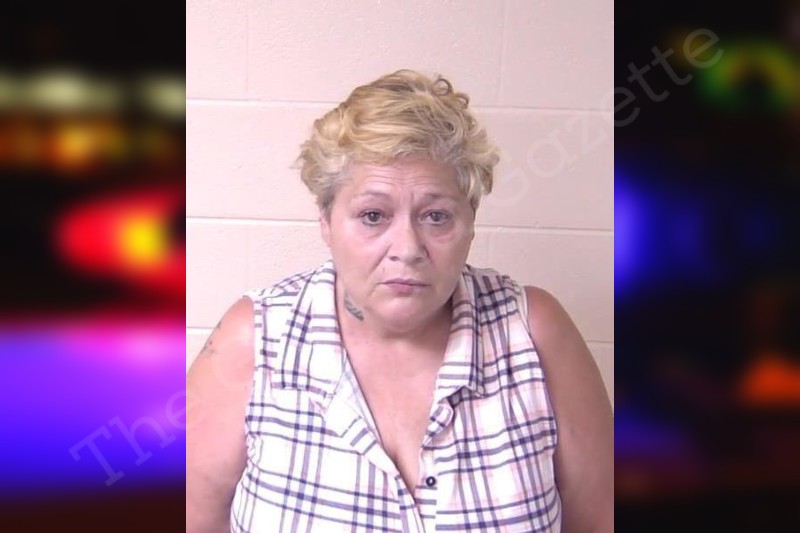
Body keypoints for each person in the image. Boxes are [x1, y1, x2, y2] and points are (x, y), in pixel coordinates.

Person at [186, 69, 613, 532]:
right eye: (373, 215)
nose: (407, 249)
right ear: (326, 221)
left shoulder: (534, 333)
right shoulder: (256, 339)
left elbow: (598, 518)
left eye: (436, 216)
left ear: (471, 222)